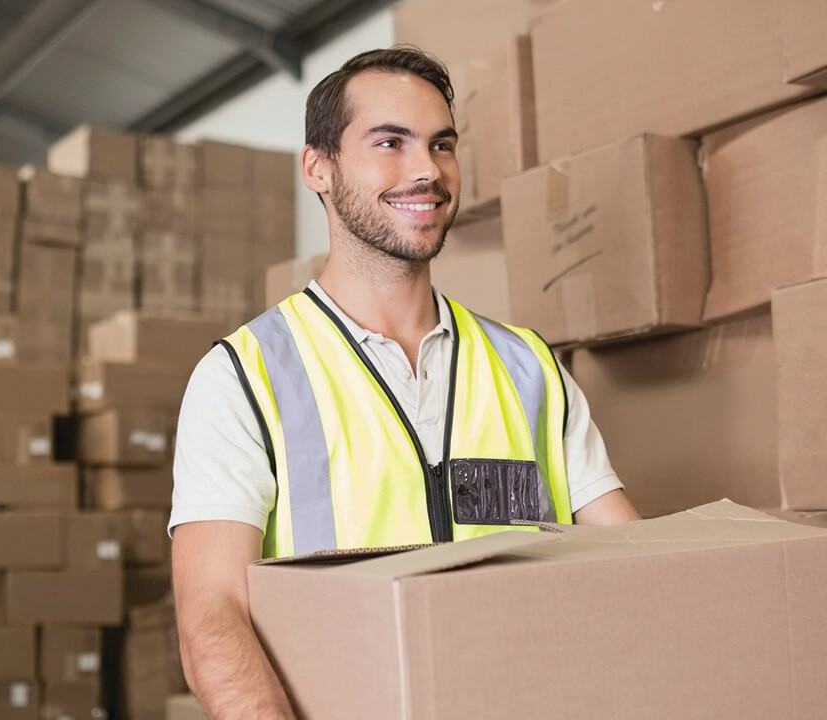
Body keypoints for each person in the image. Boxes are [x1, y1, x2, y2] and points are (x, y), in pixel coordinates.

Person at [168, 45, 641, 719]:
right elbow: (210, 618)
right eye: (390, 142)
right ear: (319, 168)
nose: (427, 170)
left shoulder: (531, 367)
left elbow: (636, 565)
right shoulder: (244, 379)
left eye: (441, 145)